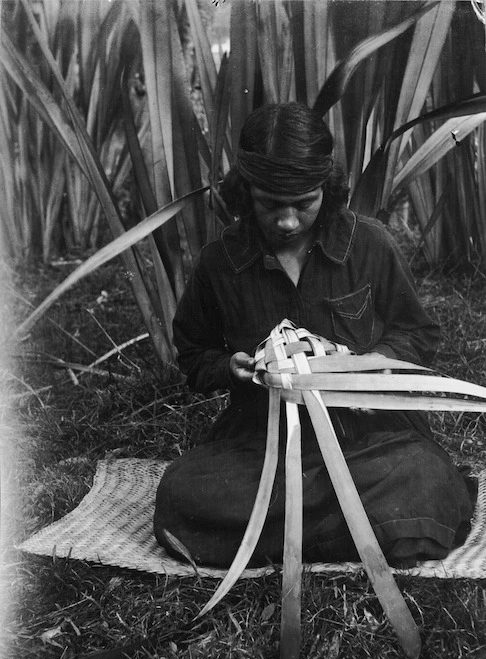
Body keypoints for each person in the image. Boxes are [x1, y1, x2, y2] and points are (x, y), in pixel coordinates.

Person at [153, 102, 474, 569]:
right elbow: (194, 352)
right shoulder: (220, 262)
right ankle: (366, 529)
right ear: (246, 192)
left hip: (369, 436)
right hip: (263, 443)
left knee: (425, 478)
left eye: (304, 203)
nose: (286, 221)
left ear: (327, 187)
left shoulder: (369, 244)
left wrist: (372, 364)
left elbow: (418, 333)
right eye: (269, 204)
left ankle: (285, 533)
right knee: (181, 493)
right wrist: (232, 368)